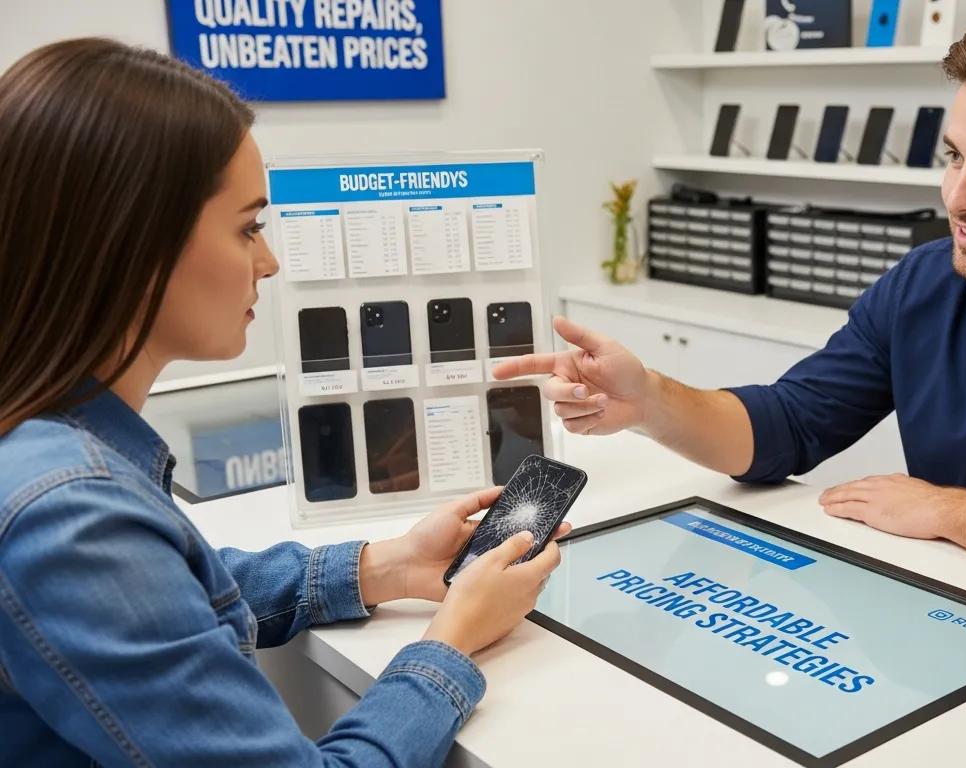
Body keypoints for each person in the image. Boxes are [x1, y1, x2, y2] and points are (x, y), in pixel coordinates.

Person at [493, 18, 966, 596]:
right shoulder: (924, 282)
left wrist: (944, 510)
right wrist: (650, 398)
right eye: (955, 156)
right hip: (944, 622)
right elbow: (788, 427)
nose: (959, 196)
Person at [0, 39, 566, 765]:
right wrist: (451, 640)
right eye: (247, 227)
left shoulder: (51, 453)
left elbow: (163, 596)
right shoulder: (69, 512)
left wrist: (384, 566)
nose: (268, 262)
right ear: (133, 242)